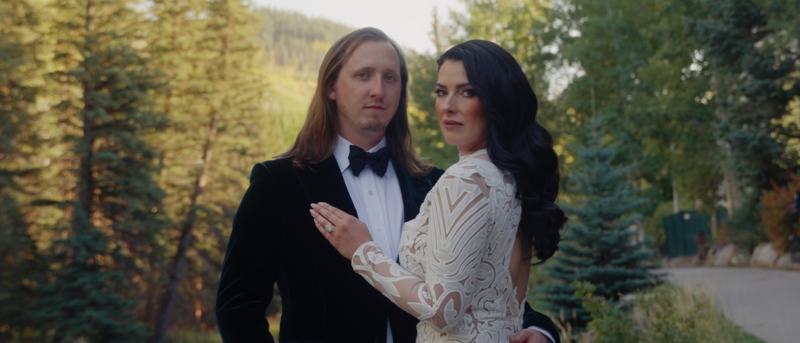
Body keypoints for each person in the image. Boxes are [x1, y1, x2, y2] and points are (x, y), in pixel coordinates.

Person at [215, 28, 559, 343]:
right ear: (331, 87)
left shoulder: (438, 184)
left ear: (401, 92)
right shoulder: (279, 183)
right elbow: (237, 307)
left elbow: (483, 286)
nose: (378, 90)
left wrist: (541, 330)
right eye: (363, 75)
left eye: (390, 78)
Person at [309, 39, 566, 343]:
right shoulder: (510, 179)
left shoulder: (462, 181)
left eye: (467, 92)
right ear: (331, 87)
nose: (448, 106)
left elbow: (443, 309)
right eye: (442, 92)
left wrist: (363, 252)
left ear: (498, 100)